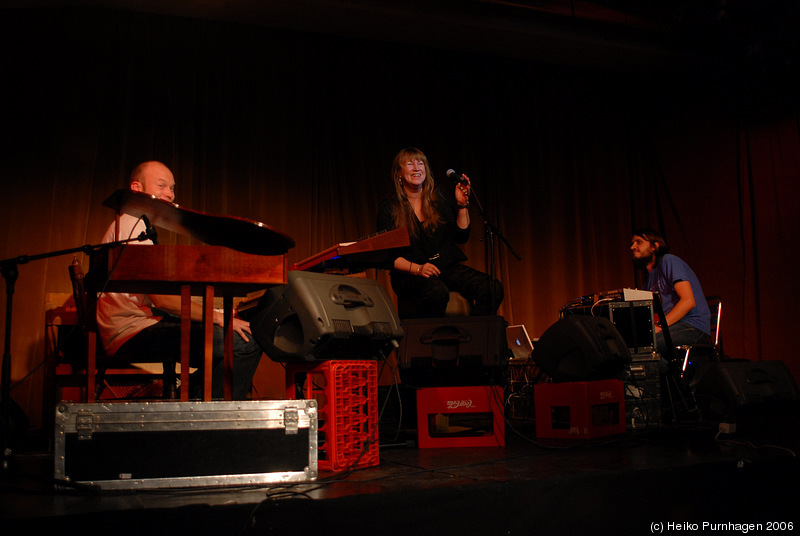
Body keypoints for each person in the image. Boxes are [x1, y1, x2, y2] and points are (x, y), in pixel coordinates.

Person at [96, 161, 263, 399]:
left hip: (139, 325)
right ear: (136, 188)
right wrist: (219, 317)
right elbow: (162, 300)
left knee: (230, 338)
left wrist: (215, 316)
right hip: (131, 332)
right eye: (161, 185)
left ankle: (192, 400)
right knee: (243, 342)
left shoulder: (132, 224)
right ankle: (206, 415)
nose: (169, 194)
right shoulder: (132, 227)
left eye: (172, 188)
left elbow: (157, 299)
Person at [376, 147, 503, 318]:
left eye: (420, 163)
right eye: (409, 163)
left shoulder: (438, 197)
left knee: (492, 288)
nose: (416, 168)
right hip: (410, 275)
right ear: (399, 173)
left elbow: (461, 236)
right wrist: (418, 269)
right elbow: (388, 257)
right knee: (437, 292)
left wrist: (462, 205)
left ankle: (475, 337)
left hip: (444, 268)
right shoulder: (389, 207)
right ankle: (432, 341)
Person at [630, 228, 711, 357]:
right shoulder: (649, 278)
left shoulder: (669, 261)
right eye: (632, 243)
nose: (632, 247)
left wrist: (659, 326)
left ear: (654, 247)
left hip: (692, 326)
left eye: (638, 242)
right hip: (673, 327)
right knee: (633, 345)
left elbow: (688, 301)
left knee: (645, 346)